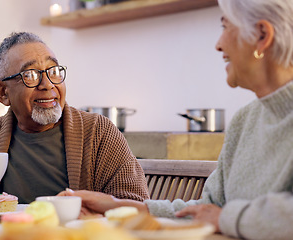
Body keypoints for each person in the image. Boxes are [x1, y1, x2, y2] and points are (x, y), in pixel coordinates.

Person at [59, 0, 293, 239]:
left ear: (262, 35)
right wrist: (119, 206)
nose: (218, 44)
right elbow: (205, 210)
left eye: (225, 27)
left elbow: (221, 214)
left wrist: (225, 218)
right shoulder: (245, 121)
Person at [0, 32, 149, 205]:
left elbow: (135, 204)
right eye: (31, 75)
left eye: (54, 72)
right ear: (3, 93)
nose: (48, 85)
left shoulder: (98, 132)